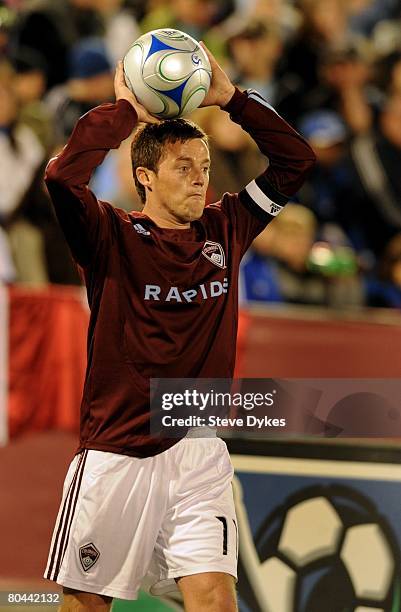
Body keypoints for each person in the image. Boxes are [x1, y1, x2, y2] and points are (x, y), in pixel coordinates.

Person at [43, 43, 315, 611]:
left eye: (205, 168)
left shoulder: (228, 227)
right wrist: (125, 114)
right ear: (144, 176)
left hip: (199, 449)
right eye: (183, 168)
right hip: (120, 453)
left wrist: (233, 99)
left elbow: (297, 162)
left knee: (215, 600)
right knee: (84, 606)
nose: (199, 181)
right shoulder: (109, 236)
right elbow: (64, 178)